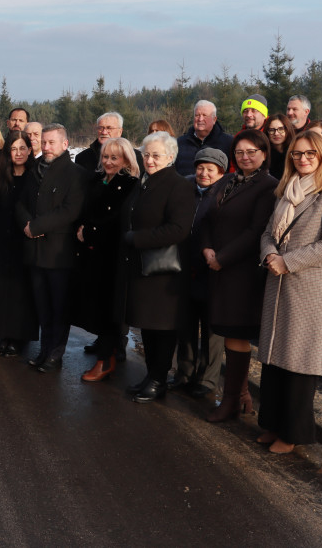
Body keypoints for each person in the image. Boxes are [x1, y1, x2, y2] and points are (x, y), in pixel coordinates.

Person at [258, 130, 322, 453]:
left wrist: (287, 262)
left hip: (307, 288)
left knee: (298, 362)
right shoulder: (286, 189)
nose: (303, 159)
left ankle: (292, 432)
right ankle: (271, 423)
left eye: (310, 153)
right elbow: (269, 231)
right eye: (297, 154)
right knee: (273, 359)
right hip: (277, 285)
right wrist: (269, 254)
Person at [200, 130, 278, 421]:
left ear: (264, 154)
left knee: (236, 333)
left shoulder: (268, 186)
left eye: (252, 152)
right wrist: (207, 248)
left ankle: (232, 398)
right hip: (218, 267)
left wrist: (222, 258)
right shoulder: (228, 181)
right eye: (240, 152)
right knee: (227, 331)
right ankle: (240, 395)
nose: (245, 157)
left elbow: (256, 230)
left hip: (242, 271)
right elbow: (208, 216)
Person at [119, 131, 196, 403]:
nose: (149, 160)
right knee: (148, 328)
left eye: (156, 155)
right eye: (146, 155)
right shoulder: (145, 182)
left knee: (162, 328)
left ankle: (159, 380)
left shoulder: (179, 185)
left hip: (164, 273)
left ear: (171, 157)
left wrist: (136, 239)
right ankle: (151, 376)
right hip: (144, 268)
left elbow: (178, 229)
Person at [18, 124, 87, 372]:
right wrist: (26, 224)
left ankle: (55, 354)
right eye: (43, 142)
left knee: (59, 307)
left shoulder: (76, 174)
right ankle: (45, 350)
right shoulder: (34, 170)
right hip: (34, 251)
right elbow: (21, 202)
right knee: (42, 306)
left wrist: (37, 226)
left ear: (65, 144)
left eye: (51, 143)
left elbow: (70, 210)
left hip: (59, 253)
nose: (46, 147)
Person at [78, 137, 141, 382]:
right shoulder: (97, 179)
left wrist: (90, 232)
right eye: (105, 157)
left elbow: (118, 220)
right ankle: (108, 356)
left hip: (113, 256)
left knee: (108, 310)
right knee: (98, 307)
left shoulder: (129, 184)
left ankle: (105, 361)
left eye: (114, 157)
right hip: (93, 254)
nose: (108, 162)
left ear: (126, 159)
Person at [170, 147, 228, 397]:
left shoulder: (226, 193)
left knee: (213, 329)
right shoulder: (185, 188)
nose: (203, 173)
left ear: (221, 172)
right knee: (186, 324)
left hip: (213, 268)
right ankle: (184, 372)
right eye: (200, 168)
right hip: (184, 265)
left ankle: (208, 379)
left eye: (210, 170)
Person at [0, 131, 37, 356]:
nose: (18, 153)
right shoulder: (0, 176)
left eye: (23, 148)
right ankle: (3, 334)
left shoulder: (35, 176)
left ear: (30, 151)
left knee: (20, 291)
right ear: (8, 151)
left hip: (23, 242)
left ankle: (18, 337)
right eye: (14, 148)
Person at [175, 101, 233, 176]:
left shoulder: (228, 142)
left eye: (205, 115)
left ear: (214, 119)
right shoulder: (179, 143)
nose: (200, 119)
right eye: (197, 115)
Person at [265, 113, 295, 180]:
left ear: (288, 130)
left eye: (281, 129)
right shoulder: (264, 155)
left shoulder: (295, 152)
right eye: (272, 130)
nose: (276, 133)